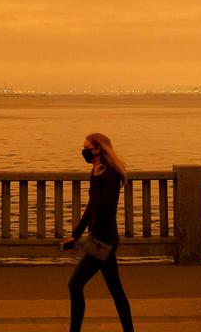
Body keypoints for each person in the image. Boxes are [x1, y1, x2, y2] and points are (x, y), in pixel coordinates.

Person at [60, 132, 134, 332]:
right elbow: (91, 208)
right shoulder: (98, 173)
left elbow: (104, 207)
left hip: (104, 240)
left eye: (86, 148)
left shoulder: (109, 175)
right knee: (116, 290)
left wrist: (96, 180)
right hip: (100, 238)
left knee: (75, 285)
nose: (83, 152)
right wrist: (75, 235)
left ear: (98, 149)